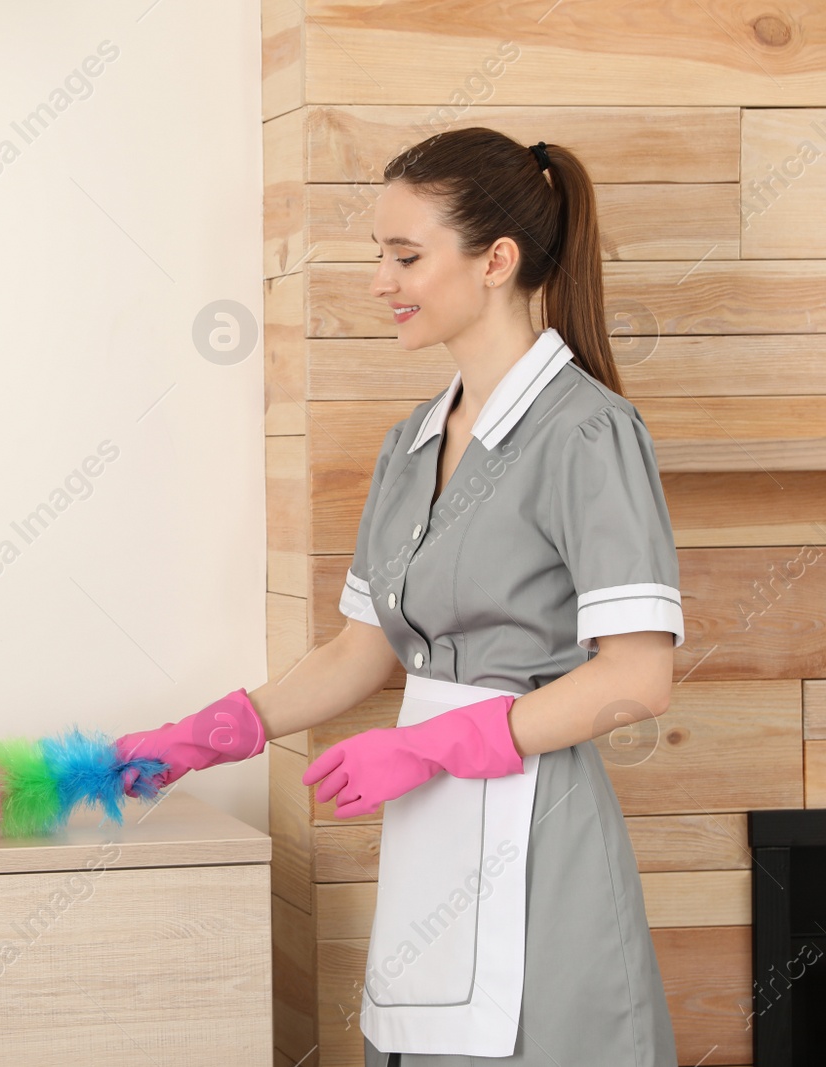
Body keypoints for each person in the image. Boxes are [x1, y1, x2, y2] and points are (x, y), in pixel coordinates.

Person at [116, 127, 683, 1066]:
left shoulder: (588, 435)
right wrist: (201, 737)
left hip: (537, 839)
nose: (380, 279)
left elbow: (638, 677)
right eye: (379, 253)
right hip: (432, 835)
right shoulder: (411, 441)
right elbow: (360, 649)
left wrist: (436, 742)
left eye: (406, 255)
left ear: (497, 260)